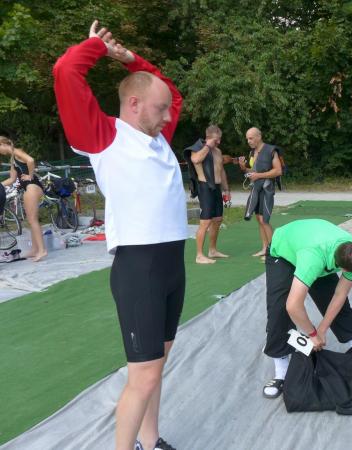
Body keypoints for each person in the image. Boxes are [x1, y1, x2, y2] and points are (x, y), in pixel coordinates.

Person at [53, 21, 187, 450]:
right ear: (134, 104)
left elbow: (172, 93)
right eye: (160, 109)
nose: (169, 115)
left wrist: (131, 59)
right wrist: (96, 47)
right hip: (139, 268)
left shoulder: (157, 136)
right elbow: (66, 71)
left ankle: (151, 440)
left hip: (172, 264)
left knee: (156, 367)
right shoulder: (104, 136)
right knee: (142, 375)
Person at [262, 218, 352, 398]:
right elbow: (293, 306)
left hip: (314, 248)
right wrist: (312, 334)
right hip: (284, 253)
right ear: (342, 266)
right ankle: (281, 370)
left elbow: (340, 295)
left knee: (340, 306)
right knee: (279, 309)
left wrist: (322, 329)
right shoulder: (313, 260)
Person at [186, 125, 229, 264]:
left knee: (217, 219)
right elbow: (195, 160)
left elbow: (221, 171)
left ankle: (212, 250)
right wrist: (208, 146)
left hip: (217, 188)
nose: (219, 142)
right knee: (205, 222)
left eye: (220, 139)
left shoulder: (218, 151)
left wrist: (226, 190)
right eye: (216, 139)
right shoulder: (198, 148)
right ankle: (199, 255)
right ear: (209, 137)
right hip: (205, 187)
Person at [0, 137, 46, 261]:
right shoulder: (12, 159)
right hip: (28, 188)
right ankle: (35, 249)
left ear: (3, 144)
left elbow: (30, 160)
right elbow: (11, 179)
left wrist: (30, 176)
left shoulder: (16, 151)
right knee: (31, 220)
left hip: (32, 186)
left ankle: (42, 250)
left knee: (33, 220)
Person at [239, 127, 281, 261]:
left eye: (251, 138)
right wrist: (243, 167)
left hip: (266, 189)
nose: (248, 141)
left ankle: (274, 250)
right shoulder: (252, 152)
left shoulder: (271, 151)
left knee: (264, 220)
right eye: (247, 139)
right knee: (258, 219)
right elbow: (253, 171)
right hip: (256, 190)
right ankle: (265, 247)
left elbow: (278, 171)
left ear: (259, 136)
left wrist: (258, 175)